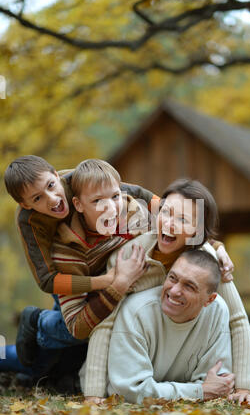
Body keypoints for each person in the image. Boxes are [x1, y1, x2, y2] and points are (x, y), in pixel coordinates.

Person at [80, 179, 250, 405]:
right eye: (166, 212)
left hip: (164, 359)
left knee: (218, 308)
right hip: (122, 353)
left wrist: (243, 387)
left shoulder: (208, 262)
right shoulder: (129, 257)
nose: (170, 224)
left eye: (182, 219)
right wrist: (93, 392)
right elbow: (105, 322)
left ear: (197, 230)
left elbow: (238, 320)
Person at [3, 156, 159, 369]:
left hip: (94, 260)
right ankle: (37, 321)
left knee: (68, 349)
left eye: (51, 185)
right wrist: (105, 281)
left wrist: (178, 217)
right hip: (64, 271)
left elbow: (136, 193)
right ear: (25, 204)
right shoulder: (28, 220)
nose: (52, 198)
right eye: (37, 198)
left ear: (56, 175)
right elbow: (47, 281)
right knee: (73, 332)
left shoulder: (77, 179)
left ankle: (60, 368)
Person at [107, 250, 235, 403]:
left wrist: (205, 389)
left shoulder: (217, 311)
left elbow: (216, 384)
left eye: (189, 286)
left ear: (209, 300)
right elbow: (129, 390)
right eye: (172, 278)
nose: (174, 291)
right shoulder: (136, 312)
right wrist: (198, 391)